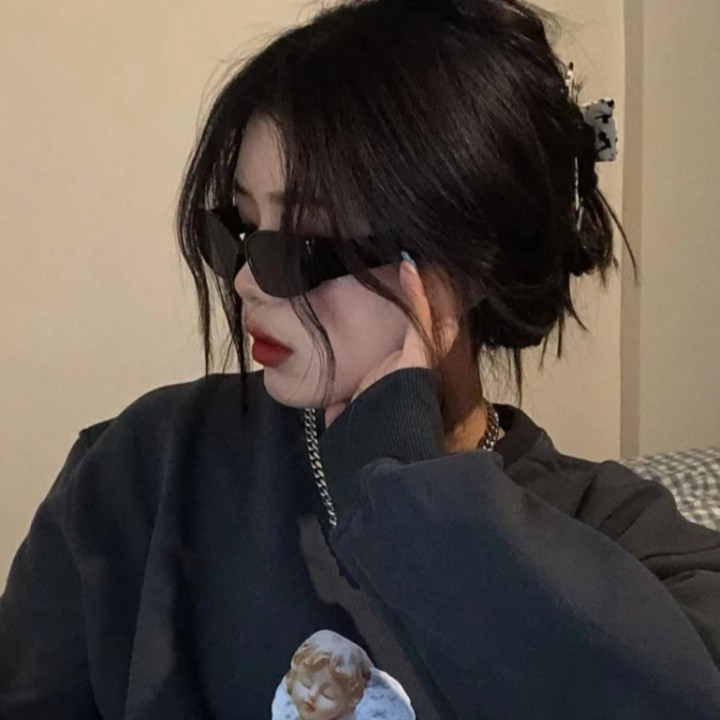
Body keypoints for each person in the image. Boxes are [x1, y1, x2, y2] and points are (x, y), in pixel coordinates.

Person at [1, 0, 719, 718]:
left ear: (469, 263)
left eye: (304, 245)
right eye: (239, 229)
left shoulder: (616, 533)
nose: (246, 282)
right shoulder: (145, 469)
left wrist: (410, 494)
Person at [271, 629, 415, 720]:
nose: (312, 695)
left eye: (328, 695)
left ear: (349, 702)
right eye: (306, 684)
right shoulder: (285, 711)